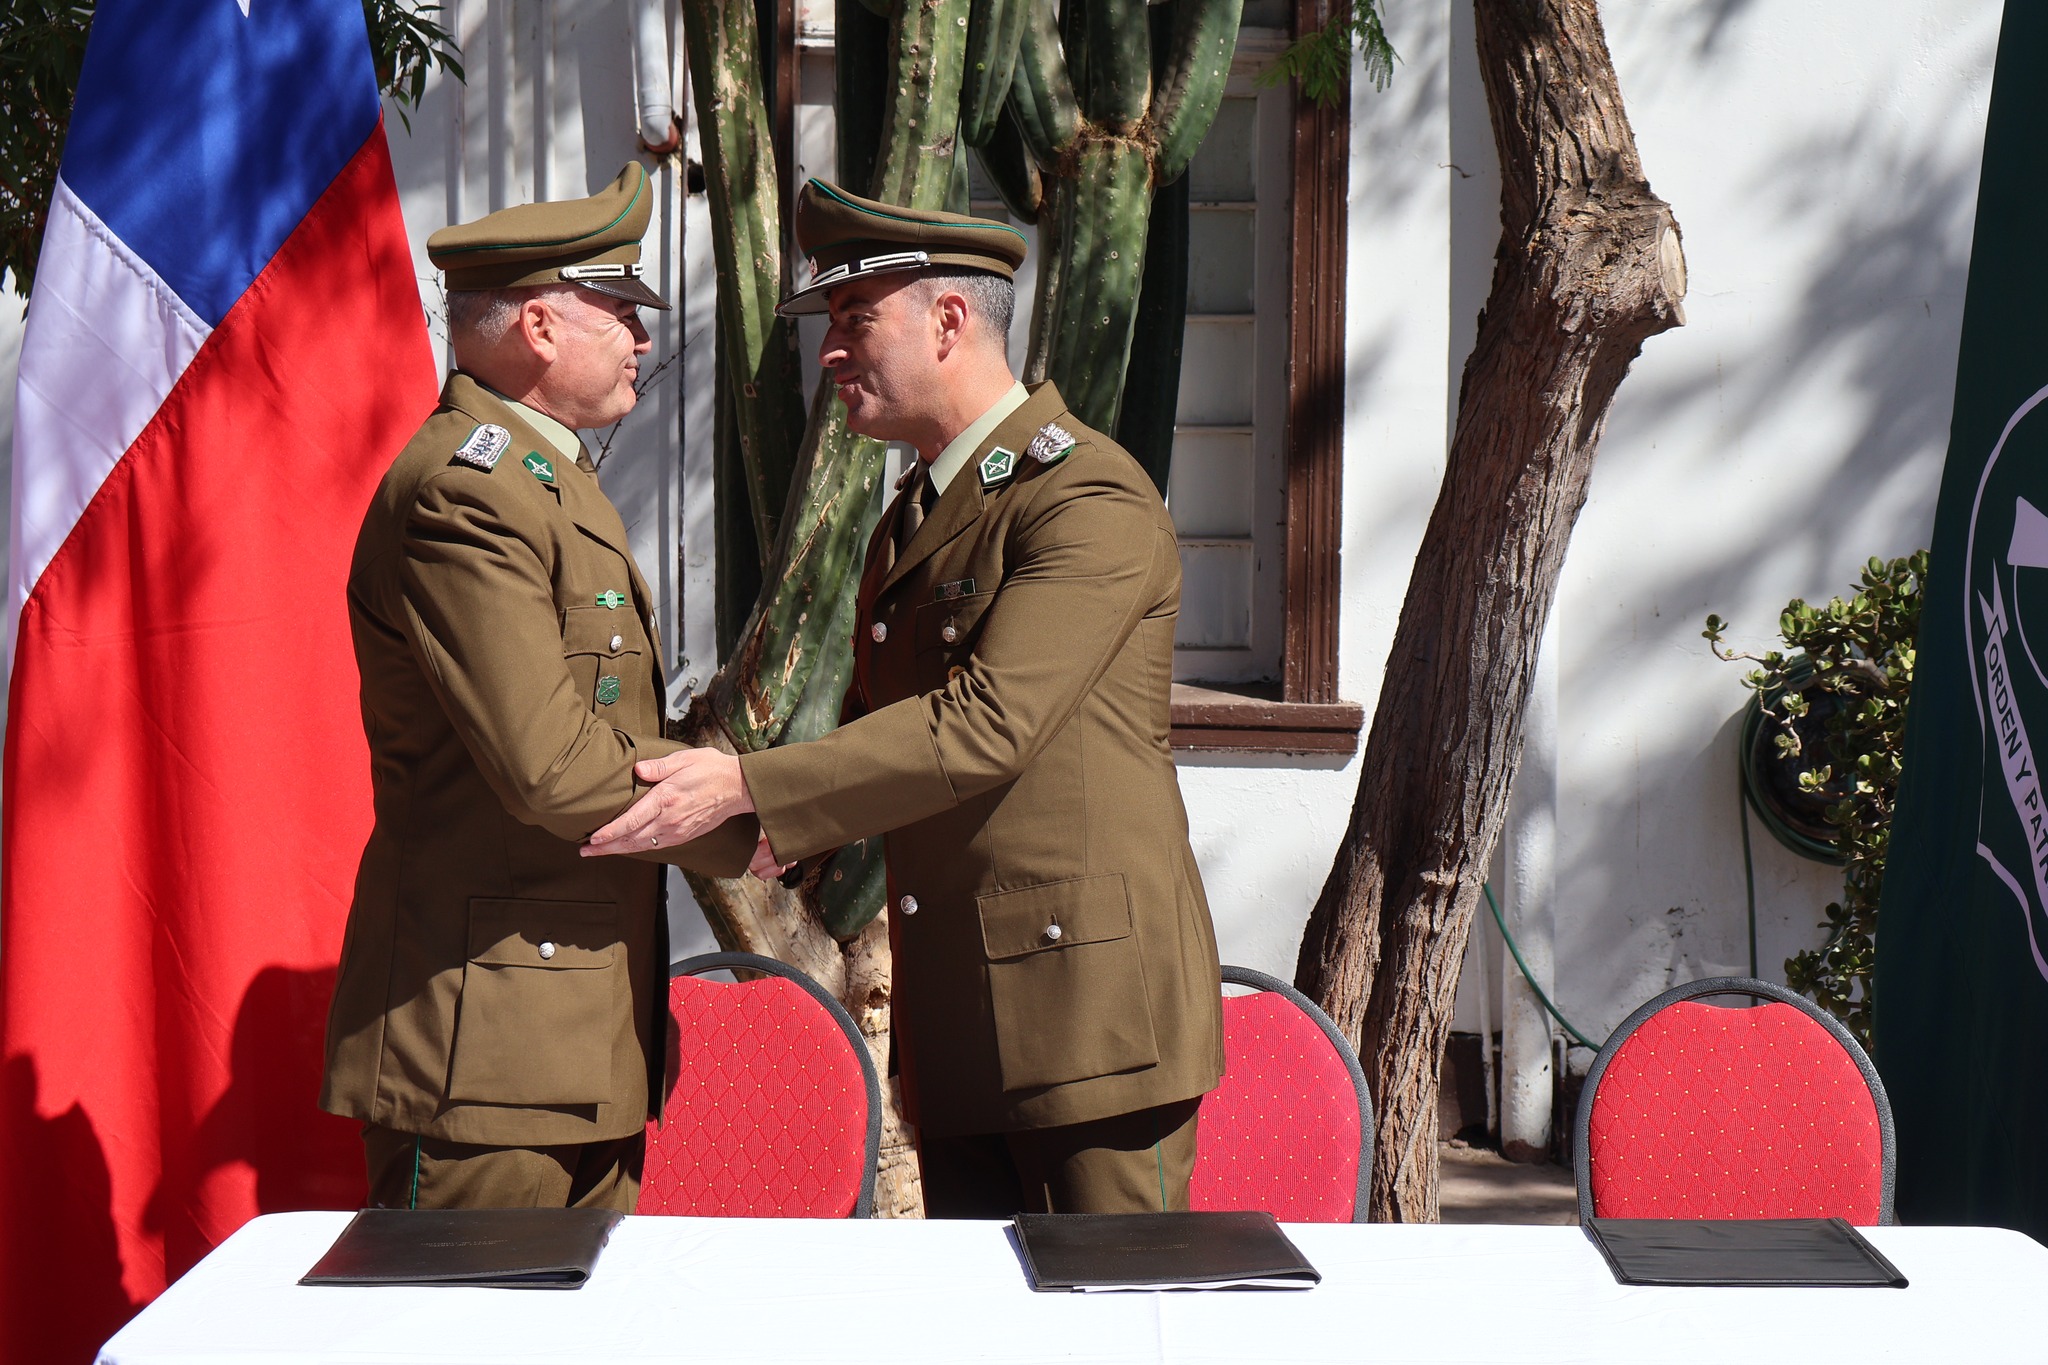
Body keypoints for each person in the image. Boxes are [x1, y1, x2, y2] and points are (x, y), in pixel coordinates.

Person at [583, 178, 1225, 1216]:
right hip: (965, 1014)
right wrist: (764, 829)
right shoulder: (923, 510)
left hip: (1090, 1023)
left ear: (949, 321)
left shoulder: (1084, 496)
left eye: (852, 320)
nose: (829, 351)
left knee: (1108, 1323)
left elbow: (984, 725)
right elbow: (881, 730)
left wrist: (750, 785)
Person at [320, 164, 757, 1213]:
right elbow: (555, 769)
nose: (642, 340)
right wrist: (756, 821)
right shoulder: (464, 494)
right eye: (621, 311)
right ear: (542, 326)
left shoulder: (545, 480)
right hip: (486, 1055)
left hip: (575, 1034)